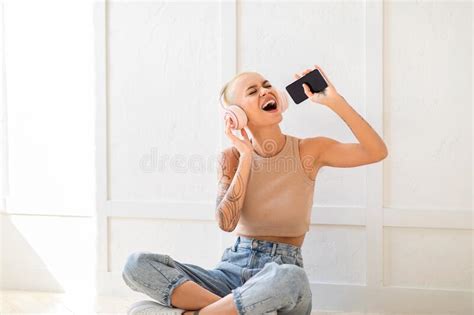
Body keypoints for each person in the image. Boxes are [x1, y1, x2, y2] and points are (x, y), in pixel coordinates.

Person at [122, 65, 388, 315]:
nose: (265, 91)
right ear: (236, 116)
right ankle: (239, 309)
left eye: (267, 85)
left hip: (278, 277)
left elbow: (376, 151)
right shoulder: (232, 158)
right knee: (136, 266)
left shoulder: (310, 150)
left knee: (291, 278)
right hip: (228, 274)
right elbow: (226, 223)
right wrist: (246, 156)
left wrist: (334, 101)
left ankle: (212, 312)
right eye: (253, 91)